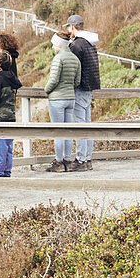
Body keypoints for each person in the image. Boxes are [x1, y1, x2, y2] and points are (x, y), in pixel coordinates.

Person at [66, 14, 100, 171]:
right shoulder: (90, 43)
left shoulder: (76, 45)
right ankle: (87, 159)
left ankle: (80, 160)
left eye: (68, 27)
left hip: (79, 88)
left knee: (80, 125)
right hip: (90, 87)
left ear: (73, 27)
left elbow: (72, 68)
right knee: (87, 124)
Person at [44, 31, 81, 172]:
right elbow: (77, 81)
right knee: (68, 132)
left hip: (57, 99)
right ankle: (68, 162)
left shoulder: (58, 59)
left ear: (58, 44)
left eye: (54, 44)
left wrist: (46, 90)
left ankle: (58, 163)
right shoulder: (74, 59)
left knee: (58, 132)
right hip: (71, 98)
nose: (53, 47)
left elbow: (53, 80)